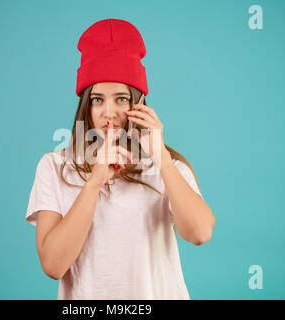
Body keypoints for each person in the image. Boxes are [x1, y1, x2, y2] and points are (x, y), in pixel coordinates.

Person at [25, 18, 215, 300]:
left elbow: (199, 233)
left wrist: (161, 158)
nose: (108, 112)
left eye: (121, 99)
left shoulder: (167, 166)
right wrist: (94, 181)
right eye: (97, 99)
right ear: (85, 106)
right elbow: (53, 265)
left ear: (137, 103)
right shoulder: (54, 167)